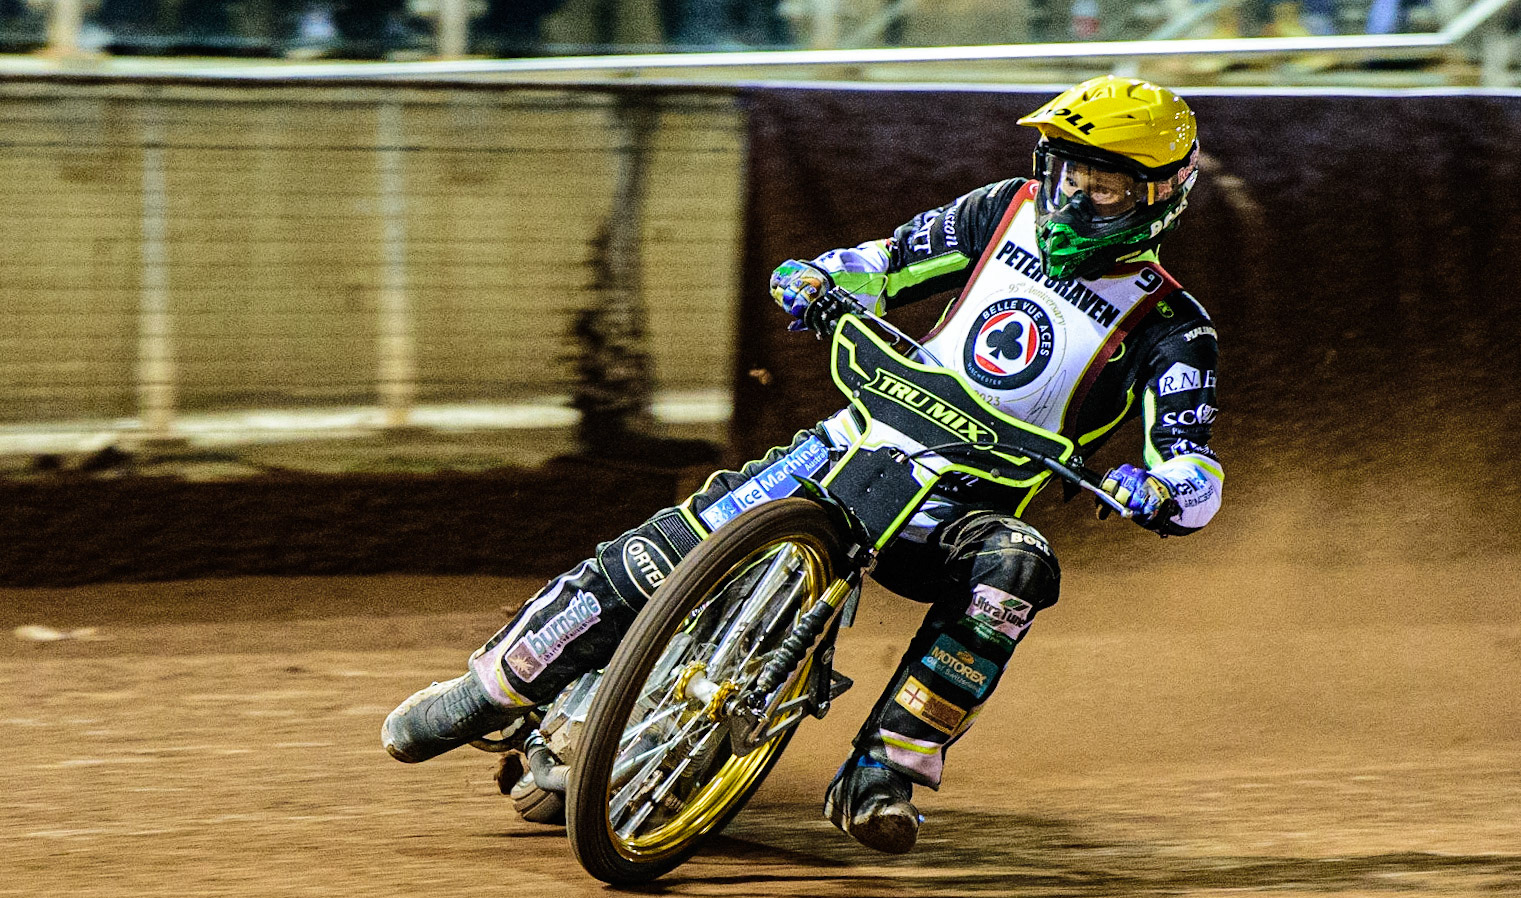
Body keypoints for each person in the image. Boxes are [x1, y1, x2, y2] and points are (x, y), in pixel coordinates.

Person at [382, 76, 1223, 855]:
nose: (1072, 193)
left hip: (958, 508)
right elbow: (885, 260)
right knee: (665, 548)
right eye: (1064, 169)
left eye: (1101, 183)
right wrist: (821, 274)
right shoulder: (1002, 209)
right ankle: (489, 690)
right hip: (851, 444)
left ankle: (887, 768)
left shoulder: (1172, 328)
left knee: (1017, 566)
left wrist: (1158, 488)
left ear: (1154, 196)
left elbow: (1193, 471)